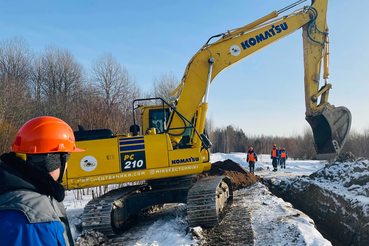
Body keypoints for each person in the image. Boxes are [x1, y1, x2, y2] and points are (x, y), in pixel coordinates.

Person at [0, 116, 84, 246]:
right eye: (66, 159)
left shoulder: (10, 191)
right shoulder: (35, 218)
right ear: (53, 162)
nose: (67, 166)